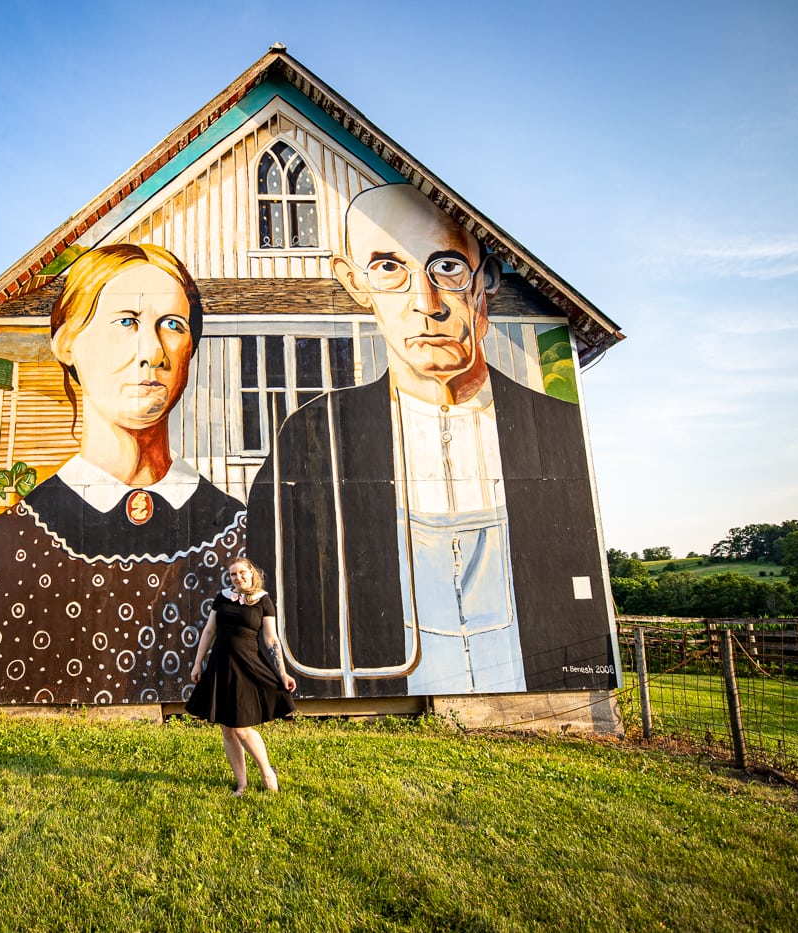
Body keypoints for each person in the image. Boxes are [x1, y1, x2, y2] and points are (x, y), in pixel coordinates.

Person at [246, 183, 613, 699]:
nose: (427, 303)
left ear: (485, 279)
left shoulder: (548, 428)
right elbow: (274, 578)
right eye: (389, 268)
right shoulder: (311, 436)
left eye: (446, 267)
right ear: (354, 283)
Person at [0, 244, 245, 707]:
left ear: (190, 350)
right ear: (67, 342)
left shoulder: (237, 530)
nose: (152, 352)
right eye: (126, 321)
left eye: (172, 326)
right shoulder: (8, 542)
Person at [186, 557, 296, 795]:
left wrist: (283, 672)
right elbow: (209, 631)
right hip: (220, 667)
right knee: (227, 729)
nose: (238, 577)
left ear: (251, 573)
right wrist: (198, 664)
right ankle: (242, 784)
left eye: (242, 573)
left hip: (248, 667)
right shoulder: (222, 598)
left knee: (242, 728)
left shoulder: (263, 601)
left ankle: (267, 772)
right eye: (233, 574)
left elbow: (271, 639)